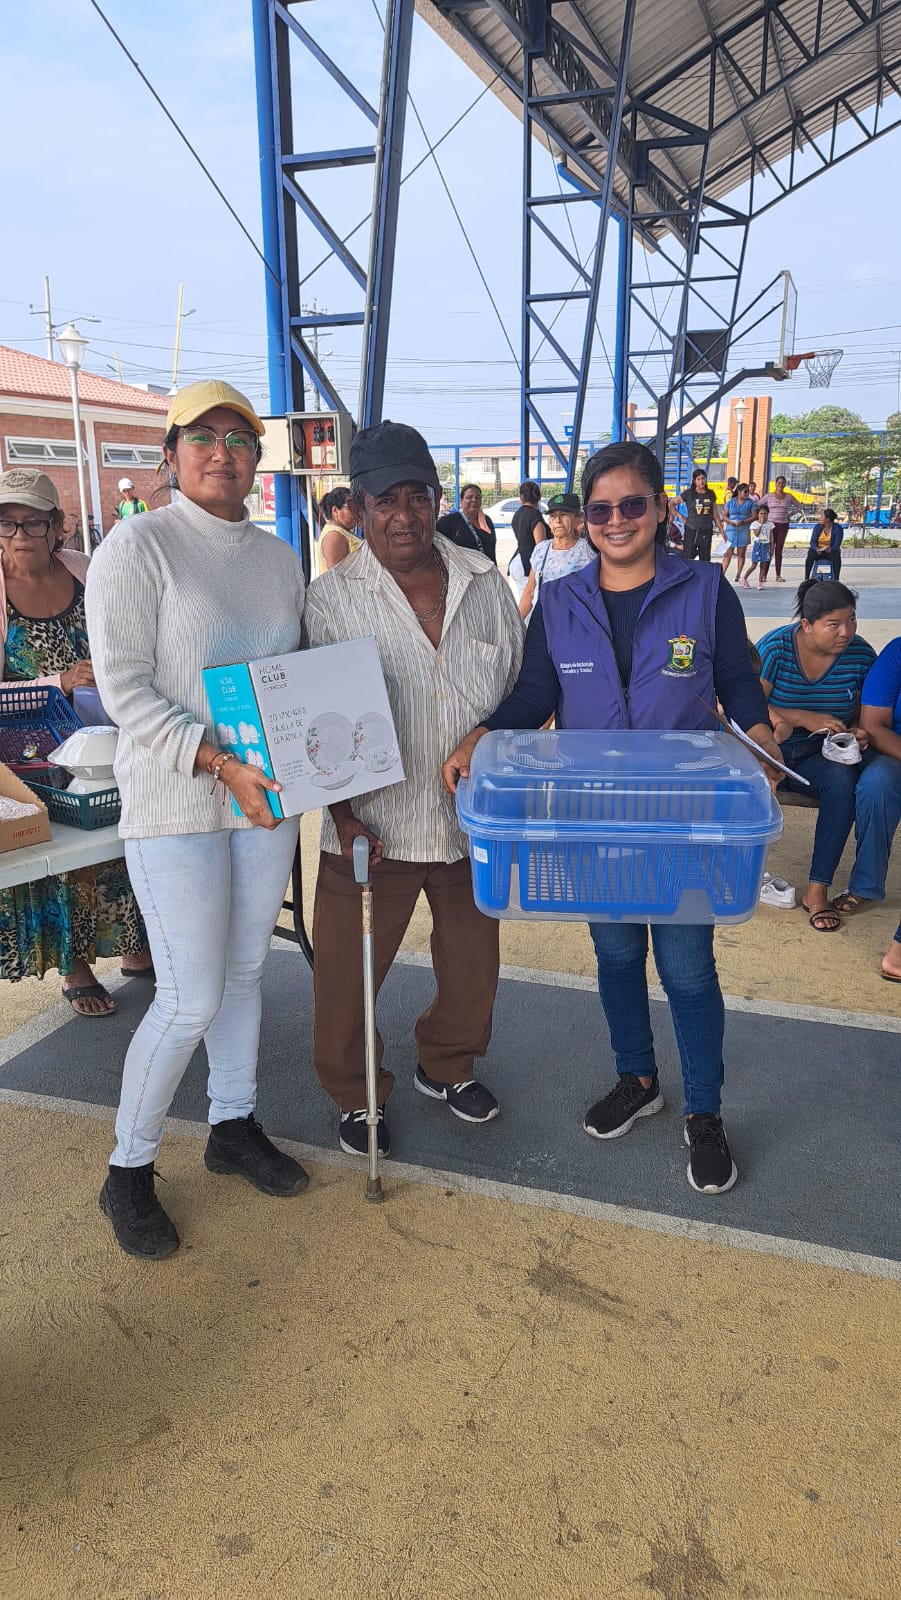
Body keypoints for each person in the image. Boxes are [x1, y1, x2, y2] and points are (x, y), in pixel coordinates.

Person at [443, 441, 783, 1196]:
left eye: (633, 504)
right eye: (600, 508)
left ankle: (704, 1112)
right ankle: (638, 1077)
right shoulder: (560, 599)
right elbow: (536, 694)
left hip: (685, 814)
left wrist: (758, 734)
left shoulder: (704, 589)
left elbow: (736, 678)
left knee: (688, 969)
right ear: (585, 518)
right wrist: (480, 736)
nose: (616, 520)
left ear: (660, 508)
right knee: (617, 954)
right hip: (594, 813)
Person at [86, 379, 309, 1260]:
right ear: (171, 453)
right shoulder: (137, 546)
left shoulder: (278, 556)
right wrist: (217, 762)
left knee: (247, 971)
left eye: (240, 439)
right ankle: (128, 1169)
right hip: (179, 799)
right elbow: (124, 688)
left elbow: (292, 674)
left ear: (258, 458)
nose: (223, 453)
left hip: (265, 800)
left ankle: (232, 1125)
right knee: (189, 995)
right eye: (204, 437)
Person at [303, 421, 523, 1157]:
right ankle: (355, 1092)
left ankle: (448, 1064)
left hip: (471, 821)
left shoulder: (484, 581)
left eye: (417, 496)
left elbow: (518, 689)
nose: (404, 515)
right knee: (346, 975)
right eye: (385, 500)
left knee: (472, 966)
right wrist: (340, 815)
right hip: (372, 825)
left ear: (435, 499)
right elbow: (313, 719)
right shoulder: (331, 600)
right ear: (359, 509)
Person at [0, 467, 151, 1014]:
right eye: (7, 523)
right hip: (30, 754)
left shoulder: (86, 570)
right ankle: (76, 967)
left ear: (57, 525)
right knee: (57, 860)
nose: (20, 535)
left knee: (120, 842)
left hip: (105, 738)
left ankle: (133, 943)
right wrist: (57, 681)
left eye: (33, 522)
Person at [758, 580, 877, 933]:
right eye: (834, 624)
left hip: (821, 755)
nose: (846, 632)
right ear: (807, 625)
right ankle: (742, 872)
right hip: (772, 747)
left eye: (851, 620)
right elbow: (747, 705)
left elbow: (863, 714)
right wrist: (800, 716)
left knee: (843, 781)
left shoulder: (861, 656)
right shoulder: (776, 649)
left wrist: (858, 731)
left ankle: (817, 889)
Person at [829, 636, 901, 926]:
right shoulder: (897, 653)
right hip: (894, 749)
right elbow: (873, 725)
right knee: (876, 784)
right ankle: (865, 885)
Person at [518, 492, 593, 620]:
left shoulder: (588, 552)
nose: (557, 521)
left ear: (578, 519)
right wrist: (516, 623)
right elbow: (529, 592)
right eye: (553, 516)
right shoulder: (541, 550)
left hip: (572, 622)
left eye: (563, 515)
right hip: (542, 620)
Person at [436, 482, 497, 564]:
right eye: (469, 497)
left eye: (477, 497)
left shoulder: (487, 521)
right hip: (462, 570)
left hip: (486, 569)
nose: (474, 500)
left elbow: (491, 550)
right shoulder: (449, 521)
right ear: (461, 501)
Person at [758, 475, 801, 583]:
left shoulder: (789, 497)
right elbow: (758, 505)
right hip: (770, 526)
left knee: (779, 550)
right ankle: (764, 575)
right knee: (769, 550)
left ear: (785, 484)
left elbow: (799, 506)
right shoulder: (769, 496)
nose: (780, 485)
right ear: (775, 484)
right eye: (779, 483)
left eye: (783, 483)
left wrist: (790, 514)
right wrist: (762, 517)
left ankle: (778, 575)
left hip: (783, 525)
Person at [679, 467, 722, 562]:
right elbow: (672, 503)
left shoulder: (710, 494)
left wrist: (722, 530)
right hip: (692, 529)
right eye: (698, 479)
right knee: (688, 556)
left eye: (703, 479)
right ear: (694, 481)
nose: (701, 481)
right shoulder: (689, 493)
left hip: (706, 530)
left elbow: (715, 515)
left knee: (705, 558)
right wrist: (681, 517)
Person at [316, 485, 361, 572]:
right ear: (335, 511)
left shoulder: (342, 532)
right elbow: (337, 576)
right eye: (351, 508)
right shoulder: (334, 537)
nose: (356, 512)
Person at [721, 482, 755, 582]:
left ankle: (738, 574)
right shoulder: (730, 502)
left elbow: (754, 516)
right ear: (739, 492)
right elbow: (724, 515)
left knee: (741, 553)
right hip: (731, 530)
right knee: (727, 553)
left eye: (748, 492)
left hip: (743, 529)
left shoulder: (751, 503)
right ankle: (722, 573)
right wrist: (730, 521)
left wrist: (745, 521)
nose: (747, 494)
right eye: (745, 491)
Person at [511, 480, 548, 571]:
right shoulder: (535, 516)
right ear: (539, 497)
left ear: (521, 497)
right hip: (529, 565)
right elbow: (541, 546)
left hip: (517, 561)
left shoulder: (517, 514)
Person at [805, 508, 844, 582]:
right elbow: (812, 542)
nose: (820, 518)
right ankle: (806, 578)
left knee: (836, 556)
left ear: (827, 519)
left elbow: (837, 544)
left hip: (830, 552)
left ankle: (836, 579)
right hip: (818, 551)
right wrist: (816, 548)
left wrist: (830, 549)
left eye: (822, 516)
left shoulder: (838, 529)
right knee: (810, 554)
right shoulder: (817, 527)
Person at [742, 514, 775, 589]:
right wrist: (761, 525)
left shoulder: (770, 524)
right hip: (758, 545)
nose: (763, 516)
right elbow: (756, 534)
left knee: (763, 564)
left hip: (766, 545)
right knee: (754, 565)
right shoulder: (755, 524)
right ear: (758, 515)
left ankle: (760, 582)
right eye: (761, 514)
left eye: (765, 514)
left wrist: (772, 548)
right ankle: (744, 578)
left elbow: (771, 536)